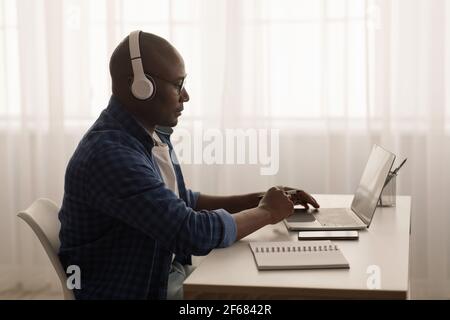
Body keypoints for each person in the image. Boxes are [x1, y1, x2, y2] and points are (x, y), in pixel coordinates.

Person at [58, 30, 319, 300]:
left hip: (164, 275)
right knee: (267, 297)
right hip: (140, 290)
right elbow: (189, 232)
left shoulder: (149, 135)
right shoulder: (110, 155)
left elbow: (181, 201)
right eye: (178, 84)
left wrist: (257, 200)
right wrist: (266, 213)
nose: (186, 96)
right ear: (139, 86)